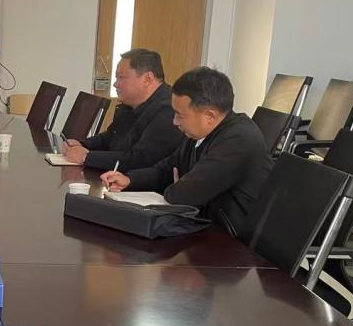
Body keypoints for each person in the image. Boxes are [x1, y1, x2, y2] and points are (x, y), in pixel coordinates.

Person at [101, 66, 273, 234]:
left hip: (231, 241)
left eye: (180, 115)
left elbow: (184, 195)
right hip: (205, 227)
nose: (175, 122)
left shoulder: (239, 140)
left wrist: (180, 185)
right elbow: (167, 169)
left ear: (210, 116)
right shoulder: (200, 133)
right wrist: (130, 180)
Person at [63, 48, 183, 170]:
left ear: (147, 79)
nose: (115, 84)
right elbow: (111, 137)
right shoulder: (130, 104)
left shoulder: (169, 110)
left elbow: (141, 160)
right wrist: (83, 144)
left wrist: (87, 157)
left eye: (121, 77)